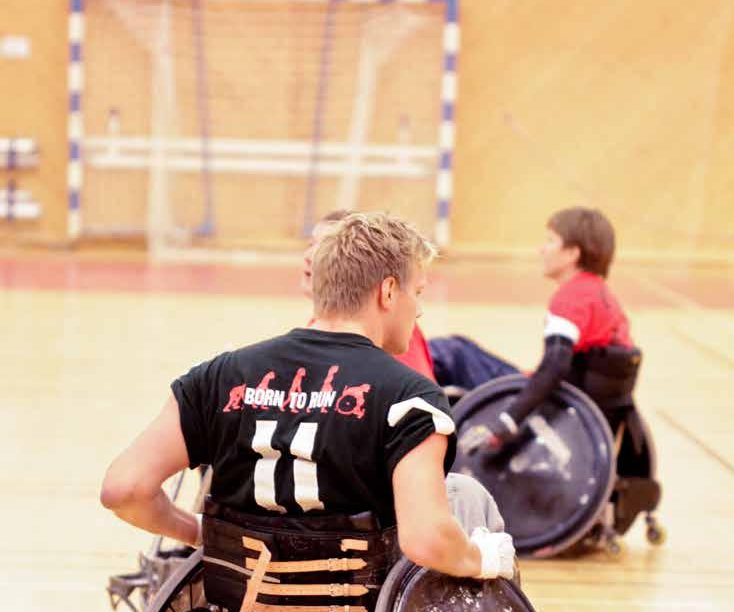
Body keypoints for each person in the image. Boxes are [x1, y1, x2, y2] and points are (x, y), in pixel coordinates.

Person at [101, 212, 515, 582]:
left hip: (244, 603)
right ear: (388, 292)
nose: (419, 311)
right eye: (418, 293)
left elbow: (123, 489)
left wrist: (197, 532)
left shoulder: (217, 376)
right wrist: (486, 559)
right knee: (466, 496)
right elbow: (426, 540)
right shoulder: (411, 396)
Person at [442, 207, 640, 456]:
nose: (541, 249)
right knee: (460, 346)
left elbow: (555, 366)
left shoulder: (571, 298)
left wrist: (508, 421)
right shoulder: (604, 296)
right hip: (577, 406)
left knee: (453, 351)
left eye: (550, 241)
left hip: (546, 405)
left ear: (571, 253)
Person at [303, 209, 437, 381]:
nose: (308, 256)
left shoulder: (393, 331)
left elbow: (420, 397)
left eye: (321, 246)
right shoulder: (311, 332)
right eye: (310, 245)